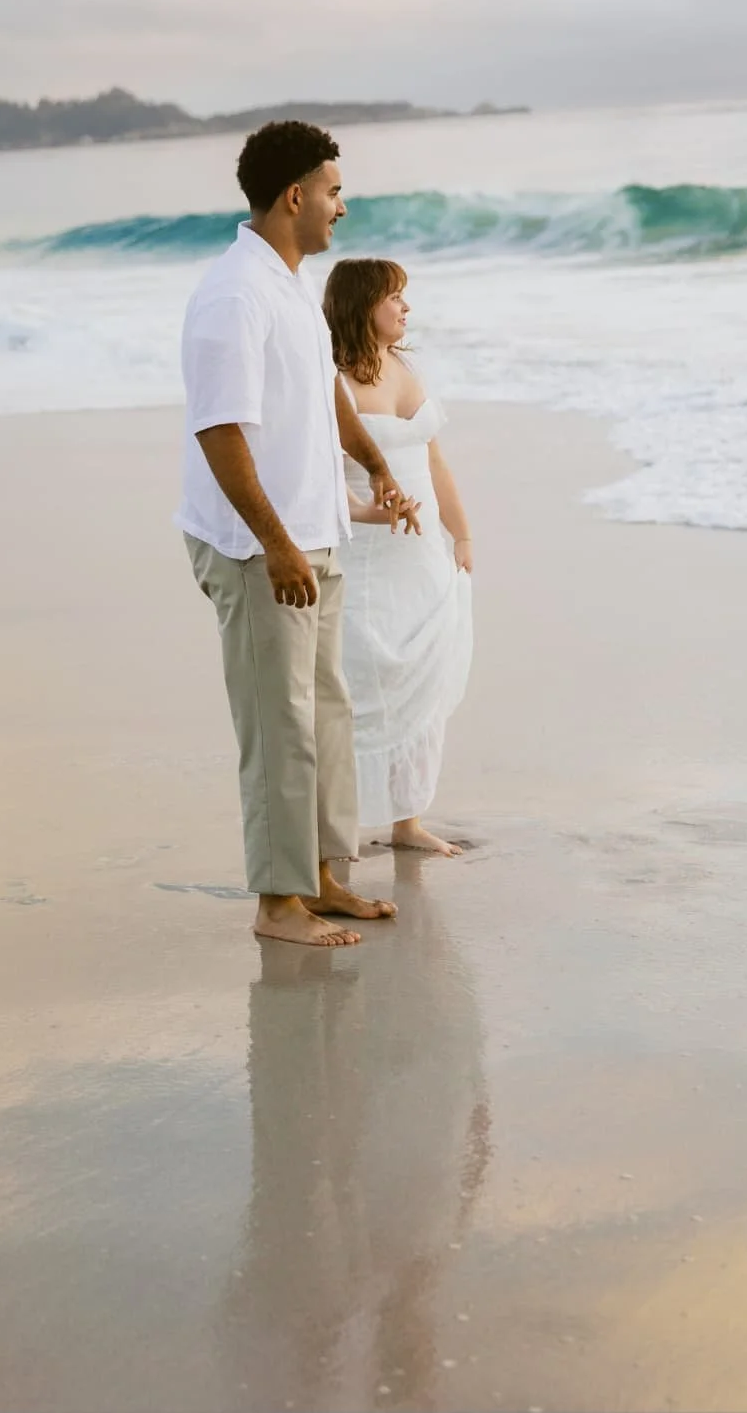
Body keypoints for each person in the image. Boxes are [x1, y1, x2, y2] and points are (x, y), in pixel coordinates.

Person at [177, 122, 418, 947]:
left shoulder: (289, 283)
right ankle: (278, 903)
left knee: (325, 712)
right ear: (294, 196)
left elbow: (325, 393)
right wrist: (274, 544)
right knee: (278, 721)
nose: (341, 207)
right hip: (258, 545)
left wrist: (374, 462)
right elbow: (220, 429)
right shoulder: (234, 296)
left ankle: (320, 876)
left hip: (315, 531)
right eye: (332, 191)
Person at [322, 259, 474, 857]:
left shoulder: (408, 367)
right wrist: (366, 512)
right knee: (362, 684)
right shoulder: (331, 380)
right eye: (394, 297)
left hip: (422, 551)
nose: (406, 307)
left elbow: (435, 462)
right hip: (365, 554)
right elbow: (319, 476)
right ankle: (336, 826)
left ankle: (408, 823)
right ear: (364, 305)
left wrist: (461, 534)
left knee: (421, 682)